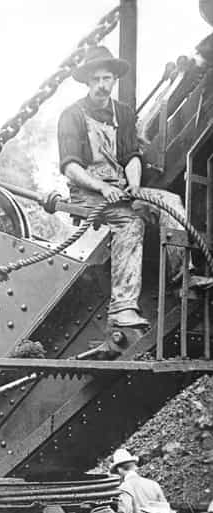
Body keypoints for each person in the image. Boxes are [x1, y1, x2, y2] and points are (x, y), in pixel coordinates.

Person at [58, 45, 188, 329]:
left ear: (113, 80)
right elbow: (70, 166)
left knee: (172, 203)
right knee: (130, 223)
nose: (102, 86)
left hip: (121, 187)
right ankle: (122, 309)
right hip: (88, 194)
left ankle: (182, 279)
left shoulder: (124, 114)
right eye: (97, 80)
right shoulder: (72, 115)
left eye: (107, 79)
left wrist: (135, 186)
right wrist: (103, 189)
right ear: (87, 81)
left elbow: (131, 156)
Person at [110, 448, 171, 513]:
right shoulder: (154, 484)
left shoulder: (124, 488)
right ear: (134, 467)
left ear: (119, 470)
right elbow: (165, 511)